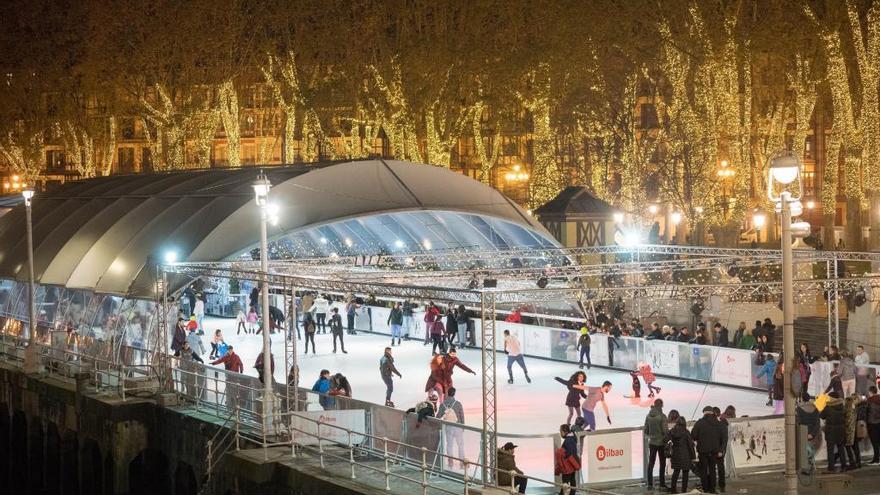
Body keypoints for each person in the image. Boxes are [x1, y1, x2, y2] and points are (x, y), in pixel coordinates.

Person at [690, 406, 726, 494]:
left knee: (703, 470)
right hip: (714, 451)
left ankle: (705, 489)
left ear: (704, 412)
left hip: (703, 451)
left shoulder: (699, 422)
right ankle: (712, 489)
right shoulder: (718, 423)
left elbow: (693, 436)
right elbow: (723, 438)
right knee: (712, 470)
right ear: (712, 412)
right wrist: (721, 450)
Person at [437, 387, 466, 469]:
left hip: (448, 426)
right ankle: (462, 462)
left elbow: (438, 416)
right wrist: (463, 426)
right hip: (458, 427)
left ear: (447, 394)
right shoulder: (458, 404)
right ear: (454, 393)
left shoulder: (443, 404)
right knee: (460, 445)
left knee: (449, 445)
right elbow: (462, 416)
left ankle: (450, 462)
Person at [666, 416, 695, 494]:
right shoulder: (686, 432)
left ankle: (673, 490)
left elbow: (665, 439)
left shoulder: (672, 431)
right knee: (685, 473)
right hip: (686, 455)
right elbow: (690, 445)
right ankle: (684, 491)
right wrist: (693, 457)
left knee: (676, 473)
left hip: (675, 455)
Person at [821, 392, 848, 472]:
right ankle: (844, 466)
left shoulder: (827, 408)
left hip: (831, 431)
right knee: (841, 449)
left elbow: (822, 416)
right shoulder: (842, 407)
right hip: (841, 430)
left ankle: (831, 468)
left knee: (830, 450)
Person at [644, 399, 668, 490]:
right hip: (661, 443)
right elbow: (665, 431)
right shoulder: (662, 416)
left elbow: (646, 430)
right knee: (662, 463)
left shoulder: (648, 416)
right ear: (661, 405)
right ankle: (662, 484)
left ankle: (650, 484)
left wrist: (652, 435)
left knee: (651, 463)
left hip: (652, 442)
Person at [844, 393, 864, 470]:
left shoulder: (850, 407)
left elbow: (848, 420)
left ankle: (853, 463)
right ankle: (858, 462)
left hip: (851, 430)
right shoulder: (858, 406)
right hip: (856, 428)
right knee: (855, 446)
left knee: (848, 446)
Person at [866, 386, 880, 464]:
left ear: (871, 392)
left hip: (872, 423)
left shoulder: (869, 400)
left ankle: (876, 459)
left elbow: (867, 411)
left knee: (874, 442)